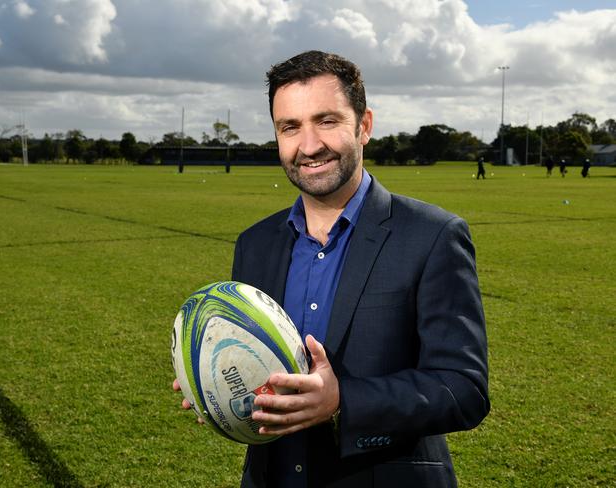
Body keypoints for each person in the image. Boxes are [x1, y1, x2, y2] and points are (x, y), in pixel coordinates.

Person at [174, 50, 490, 487]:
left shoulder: (432, 235)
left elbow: (463, 389)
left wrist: (344, 400)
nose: (309, 145)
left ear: (364, 126)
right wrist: (214, 386)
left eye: (326, 120)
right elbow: (252, 366)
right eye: (290, 127)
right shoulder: (255, 244)